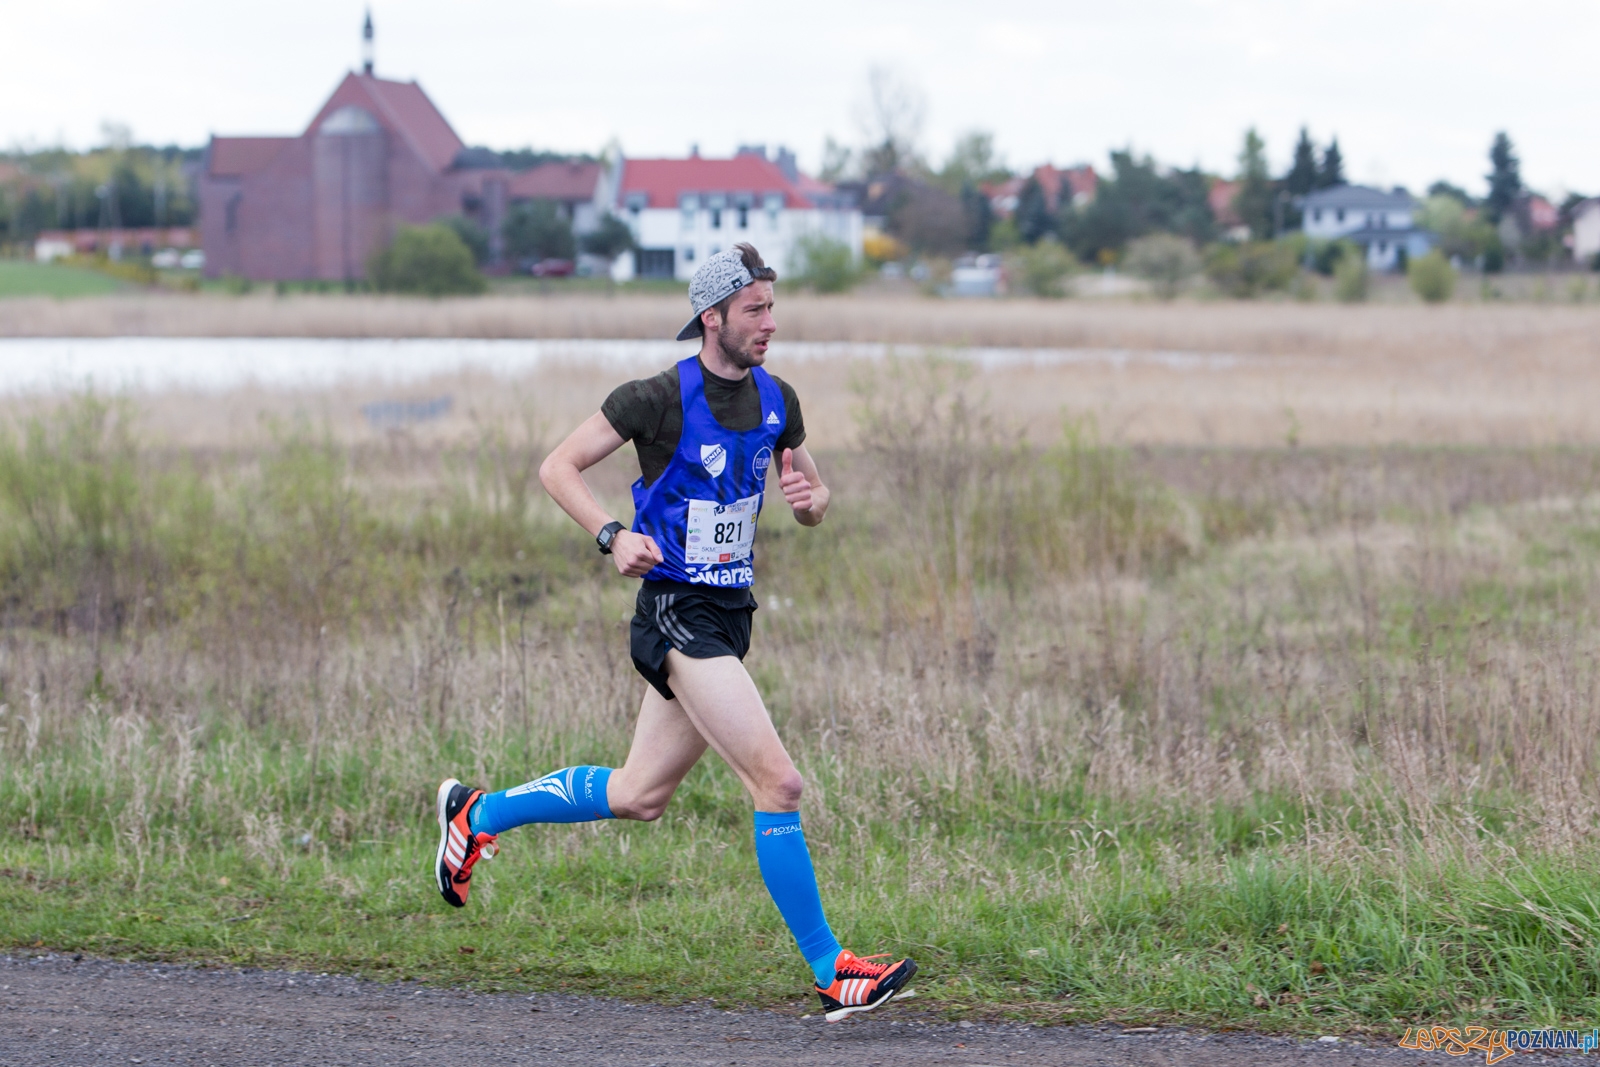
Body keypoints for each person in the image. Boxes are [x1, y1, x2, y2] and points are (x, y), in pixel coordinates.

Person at [433, 243, 916, 1022]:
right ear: (712, 316)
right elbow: (558, 466)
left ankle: (477, 815)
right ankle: (834, 971)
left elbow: (812, 491)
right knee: (780, 784)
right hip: (675, 613)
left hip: (730, 615)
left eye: (772, 307)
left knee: (639, 794)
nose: (769, 322)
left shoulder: (778, 399)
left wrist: (812, 502)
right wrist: (611, 534)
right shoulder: (654, 398)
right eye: (754, 309)